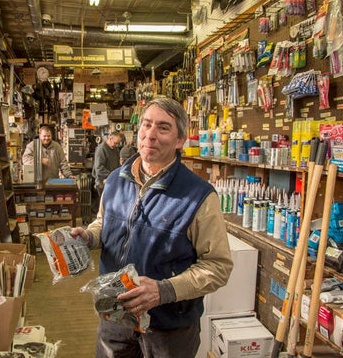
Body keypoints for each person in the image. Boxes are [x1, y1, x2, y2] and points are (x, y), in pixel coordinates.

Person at [71, 97, 233, 358]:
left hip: (169, 329)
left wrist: (163, 291)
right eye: (146, 125)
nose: (151, 135)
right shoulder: (115, 180)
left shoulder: (199, 196)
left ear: (180, 140)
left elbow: (218, 266)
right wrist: (88, 236)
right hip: (114, 317)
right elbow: (103, 223)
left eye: (163, 127)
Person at [92, 131, 122, 196]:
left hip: (112, 181)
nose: (117, 145)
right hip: (103, 183)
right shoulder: (101, 149)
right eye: (115, 143)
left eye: (118, 143)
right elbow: (99, 169)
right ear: (110, 138)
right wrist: (112, 175)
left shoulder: (115, 149)